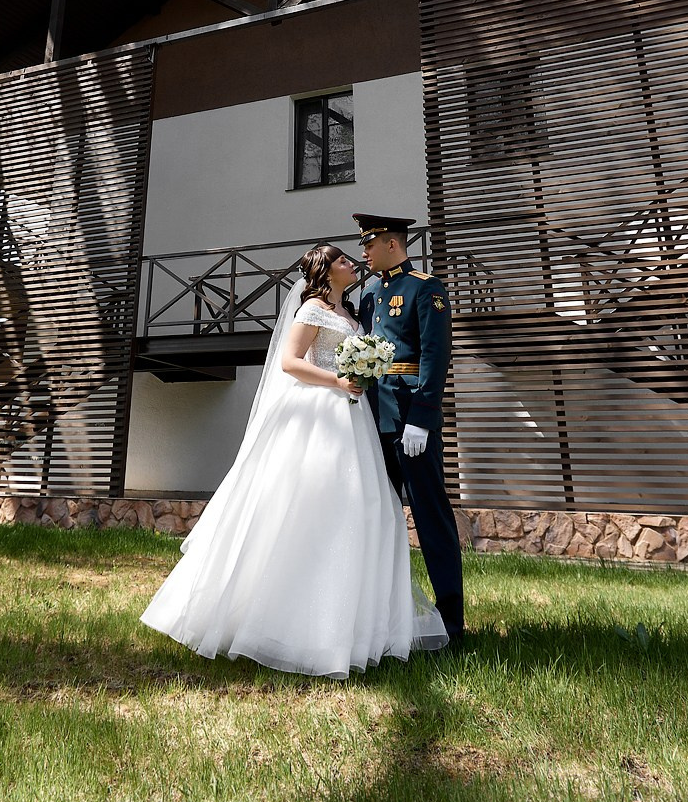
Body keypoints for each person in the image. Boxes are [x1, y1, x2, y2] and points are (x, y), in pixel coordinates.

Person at [140, 241, 448, 677]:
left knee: (360, 510)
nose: (354, 263)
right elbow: (289, 362)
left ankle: (354, 624)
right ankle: (284, 622)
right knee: (307, 510)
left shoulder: (353, 312)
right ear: (326, 270)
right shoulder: (311, 310)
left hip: (354, 418)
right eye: (344, 260)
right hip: (318, 414)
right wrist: (337, 381)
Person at [353, 214, 465, 645]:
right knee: (379, 519)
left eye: (370, 243)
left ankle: (451, 624)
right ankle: (383, 621)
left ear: (391, 243)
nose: (364, 252)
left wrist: (422, 417)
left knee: (430, 518)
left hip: (411, 421)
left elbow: (435, 355)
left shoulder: (425, 287)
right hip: (374, 419)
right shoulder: (368, 294)